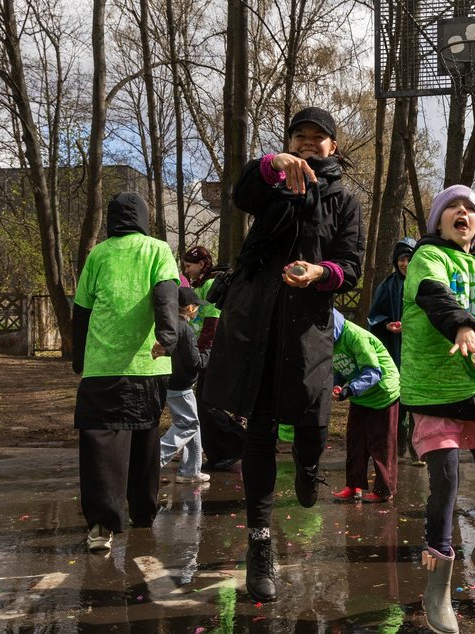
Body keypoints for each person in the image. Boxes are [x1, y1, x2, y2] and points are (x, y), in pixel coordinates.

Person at [202, 106, 363, 602]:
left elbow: (350, 268)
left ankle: (310, 468)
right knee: (261, 429)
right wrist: (273, 166)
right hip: (256, 324)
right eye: (301, 136)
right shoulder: (270, 181)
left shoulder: (343, 199)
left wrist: (320, 274)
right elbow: (241, 192)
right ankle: (260, 546)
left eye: (319, 137)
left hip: (307, 329)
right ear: (289, 142)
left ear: (333, 147)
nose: (309, 143)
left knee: (313, 424)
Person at [400, 185, 475, 633]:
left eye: (470, 208)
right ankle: (438, 588)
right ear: (438, 221)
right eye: (453, 207)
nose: (462, 212)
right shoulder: (427, 258)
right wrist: (464, 327)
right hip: (434, 388)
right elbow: (435, 297)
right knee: (446, 478)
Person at [72, 192, 180, 552]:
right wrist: (168, 336)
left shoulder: (98, 255)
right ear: (145, 218)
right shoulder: (157, 249)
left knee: (101, 443)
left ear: (111, 220)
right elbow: (166, 294)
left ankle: (102, 526)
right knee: (144, 436)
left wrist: (78, 357)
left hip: (102, 364)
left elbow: (82, 311)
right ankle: (144, 512)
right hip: (148, 363)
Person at [181, 246, 245, 472]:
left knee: (206, 404)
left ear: (201, 264)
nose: (187, 271)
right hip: (209, 352)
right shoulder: (203, 285)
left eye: (189, 266)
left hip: (214, 354)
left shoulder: (210, 284)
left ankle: (237, 443)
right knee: (205, 404)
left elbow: (212, 322)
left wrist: (203, 353)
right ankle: (222, 451)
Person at [330, 308, 400, 503]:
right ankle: (353, 487)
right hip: (361, 395)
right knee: (355, 441)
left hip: (383, 393)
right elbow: (341, 366)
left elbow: (373, 372)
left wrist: (348, 391)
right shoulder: (328, 340)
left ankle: (384, 490)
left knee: (381, 444)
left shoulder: (354, 336)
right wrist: (338, 384)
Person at [367, 236, 419, 463]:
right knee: (397, 399)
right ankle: (397, 447)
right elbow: (375, 316)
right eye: (401, 259)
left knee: (417, 399)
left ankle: (417, 446)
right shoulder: (388, 285)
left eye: (409, 258)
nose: (405, 263)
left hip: (419, 350)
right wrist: (386, 324)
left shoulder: (425, 281)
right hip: (395, 350)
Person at [154, 286, 211, 484]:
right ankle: (153, 461)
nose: (197, 310)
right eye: (196, 306)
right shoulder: (184, 329)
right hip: (181, 386)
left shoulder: (168, 325)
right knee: (187, 425)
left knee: (194, 426)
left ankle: (190, 471)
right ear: (189, 308)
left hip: (171, 382)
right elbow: (195, 362)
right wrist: (211, 353)